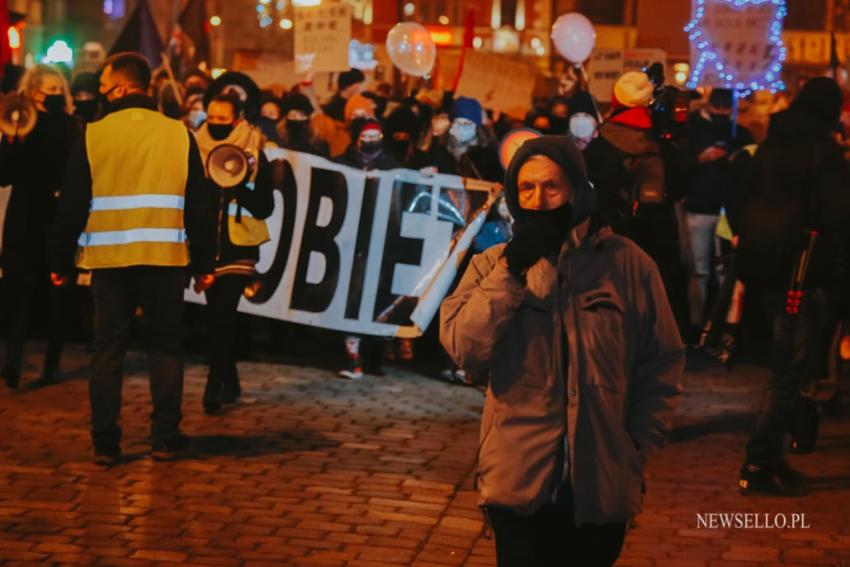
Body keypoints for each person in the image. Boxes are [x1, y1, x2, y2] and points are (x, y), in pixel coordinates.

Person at [440, 136, 684, 566]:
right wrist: (512, 271)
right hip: (519, 480)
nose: (538, 200)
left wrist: (637, 444)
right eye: (526, 189)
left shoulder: (627, 264)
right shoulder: (492, 265)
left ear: (577, 189)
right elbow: (466, 348)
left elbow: (661, 360)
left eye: (551, 187)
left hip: (600, 481)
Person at [49, 52, 217, 465]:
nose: (100, 92)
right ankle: (164, 436)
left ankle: (105, 443)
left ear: (121, 87)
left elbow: (72, 204)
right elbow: (199, 205)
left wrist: (60, 262)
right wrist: (204, 266)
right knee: (165, 348)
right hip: (165, 259)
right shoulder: (179, 134)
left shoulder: (93, 135)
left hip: (109, 261)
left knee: (107, 350)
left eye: (104, 84)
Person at [737, 77, 850, 495]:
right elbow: (837, 213)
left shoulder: (773, 142)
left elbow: (745, 192)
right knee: (788, 371)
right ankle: (759, 460)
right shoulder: (824, 150)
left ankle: (770, 457)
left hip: (767, 267)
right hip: (803, 269)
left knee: (786, 364)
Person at [584, 71, 688, 332]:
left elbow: (595, 189)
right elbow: (678, 185)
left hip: (617, 228)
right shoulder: (662, 137)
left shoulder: (604, 140)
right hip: (659, 226)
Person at [0, 64, 80, 389]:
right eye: (49, 90)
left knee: (56, 292)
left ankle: (52, 363)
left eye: (59, 90)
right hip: (25, 216)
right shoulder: (20, 126)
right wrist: (11, 140)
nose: (55, 96)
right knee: (20, 290)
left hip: (54, 214)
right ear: (32, 91)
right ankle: (13, 362)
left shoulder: (70, 128)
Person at [193, 94, 274, 413]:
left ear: (237, 120)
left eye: (222, 120)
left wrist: (236, 182)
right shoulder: (195, 148)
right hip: (206, 246)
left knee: (222, 315)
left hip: (239, 246)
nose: (214, 125)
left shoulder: (256, 151)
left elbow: (265, 206)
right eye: (210, 118)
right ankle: (231, 379)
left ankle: (214, 384)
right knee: (216, 316)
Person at [335, 118, 401, 378]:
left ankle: (374, 359)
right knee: (351, 296)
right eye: (367, 135)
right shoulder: (340, 164)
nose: (372, 140)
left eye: (377, 134)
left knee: (377, 298)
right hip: (350, 240)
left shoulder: (392, 166)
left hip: (382, 242)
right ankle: (351, 356)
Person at [684, 88, 753, 330]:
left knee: (724, 268)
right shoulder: (692, 129)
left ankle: (722, 323)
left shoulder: (740, 134)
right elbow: (679, 165)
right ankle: (697, 323)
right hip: (700, 204)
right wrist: (701, 159)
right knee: (700, 268)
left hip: (727, 208)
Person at [277, 92, 329, 157]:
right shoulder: (278, 138)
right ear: (286, 117)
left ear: (308, 117)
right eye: (292, 115)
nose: (297, 119)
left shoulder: (318, 142)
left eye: (302, 115)